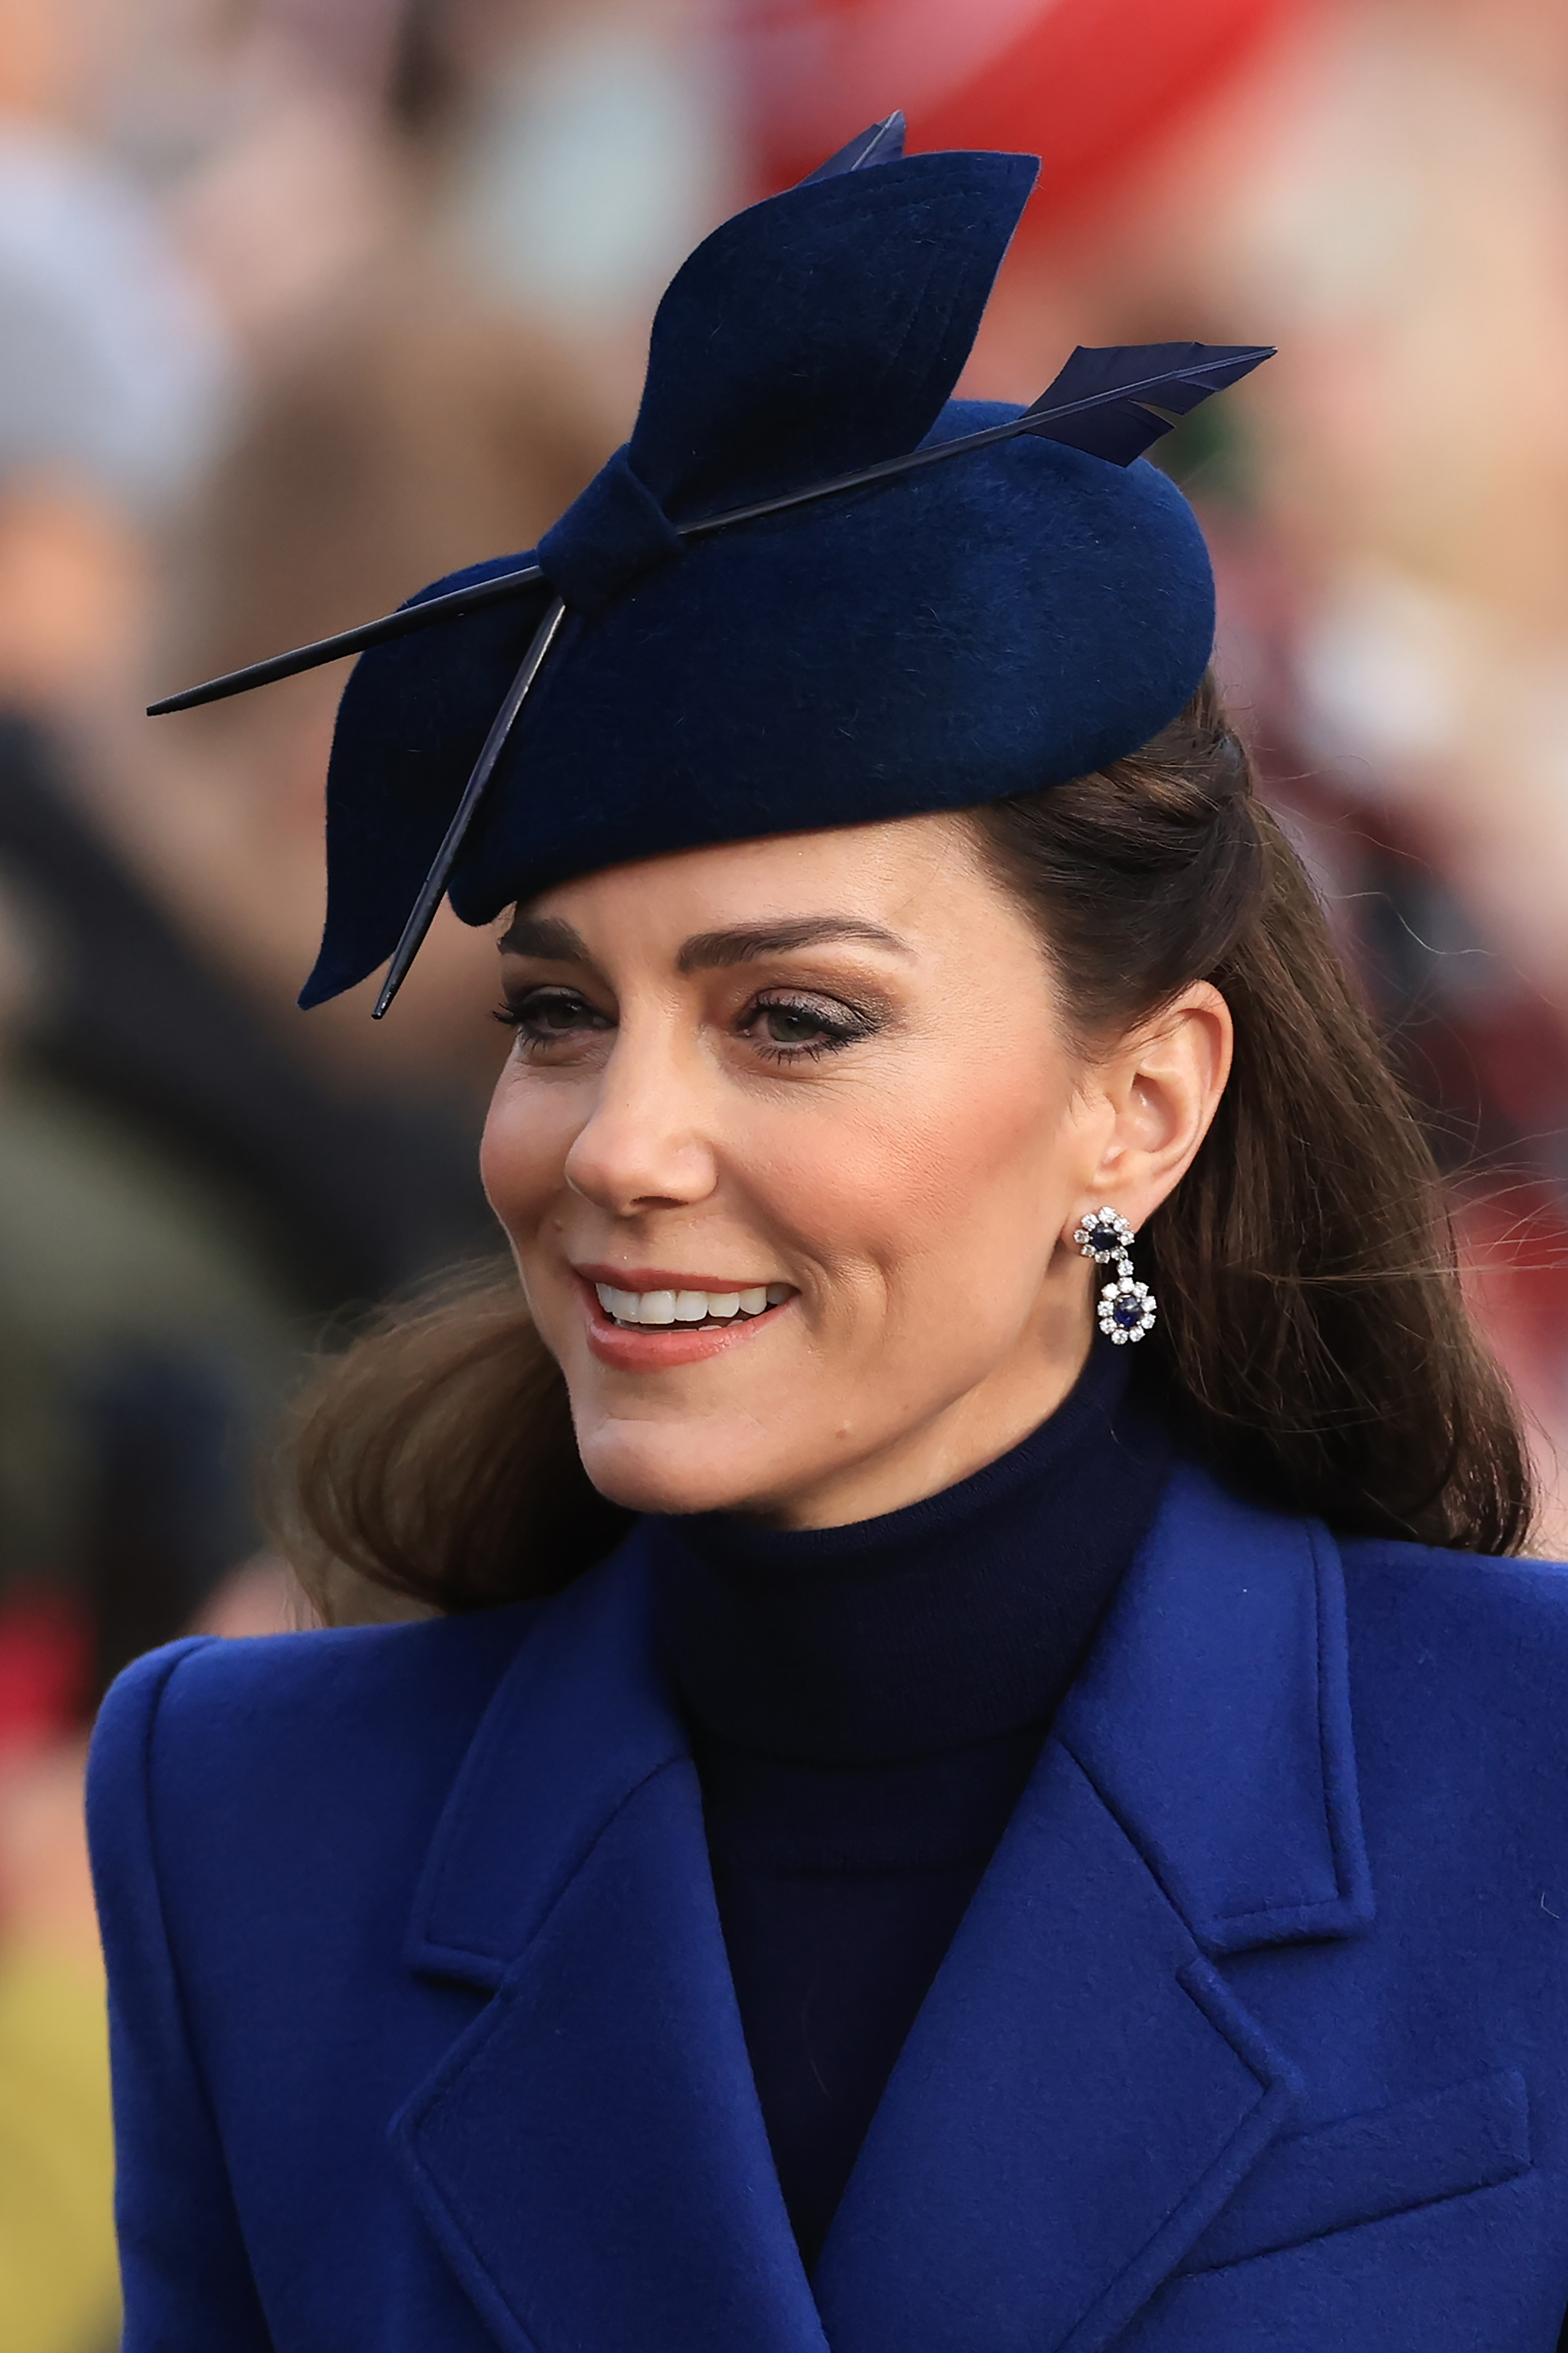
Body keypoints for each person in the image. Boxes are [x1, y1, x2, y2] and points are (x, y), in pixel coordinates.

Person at [87, 121, 1568, 2353]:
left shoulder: (1519, 1784)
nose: (621, 1147)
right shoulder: (251, 1826)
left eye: (791, 1021)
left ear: (1138, 1106)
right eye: (562, 1015)